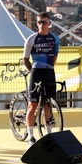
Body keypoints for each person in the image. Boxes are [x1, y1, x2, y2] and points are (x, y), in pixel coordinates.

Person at [22, 12, 60, 146]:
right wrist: (32, 71)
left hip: (49, 72)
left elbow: (54, 57)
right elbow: (25, 60)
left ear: (49, 23)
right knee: (32, 105)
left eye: (44, 22)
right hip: (36, 72)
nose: (41, 25)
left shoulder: (55, 39)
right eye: (39, 22)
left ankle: (49, 134)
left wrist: (47, 67)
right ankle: (31, 136)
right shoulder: (31, 39)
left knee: (48, 104)